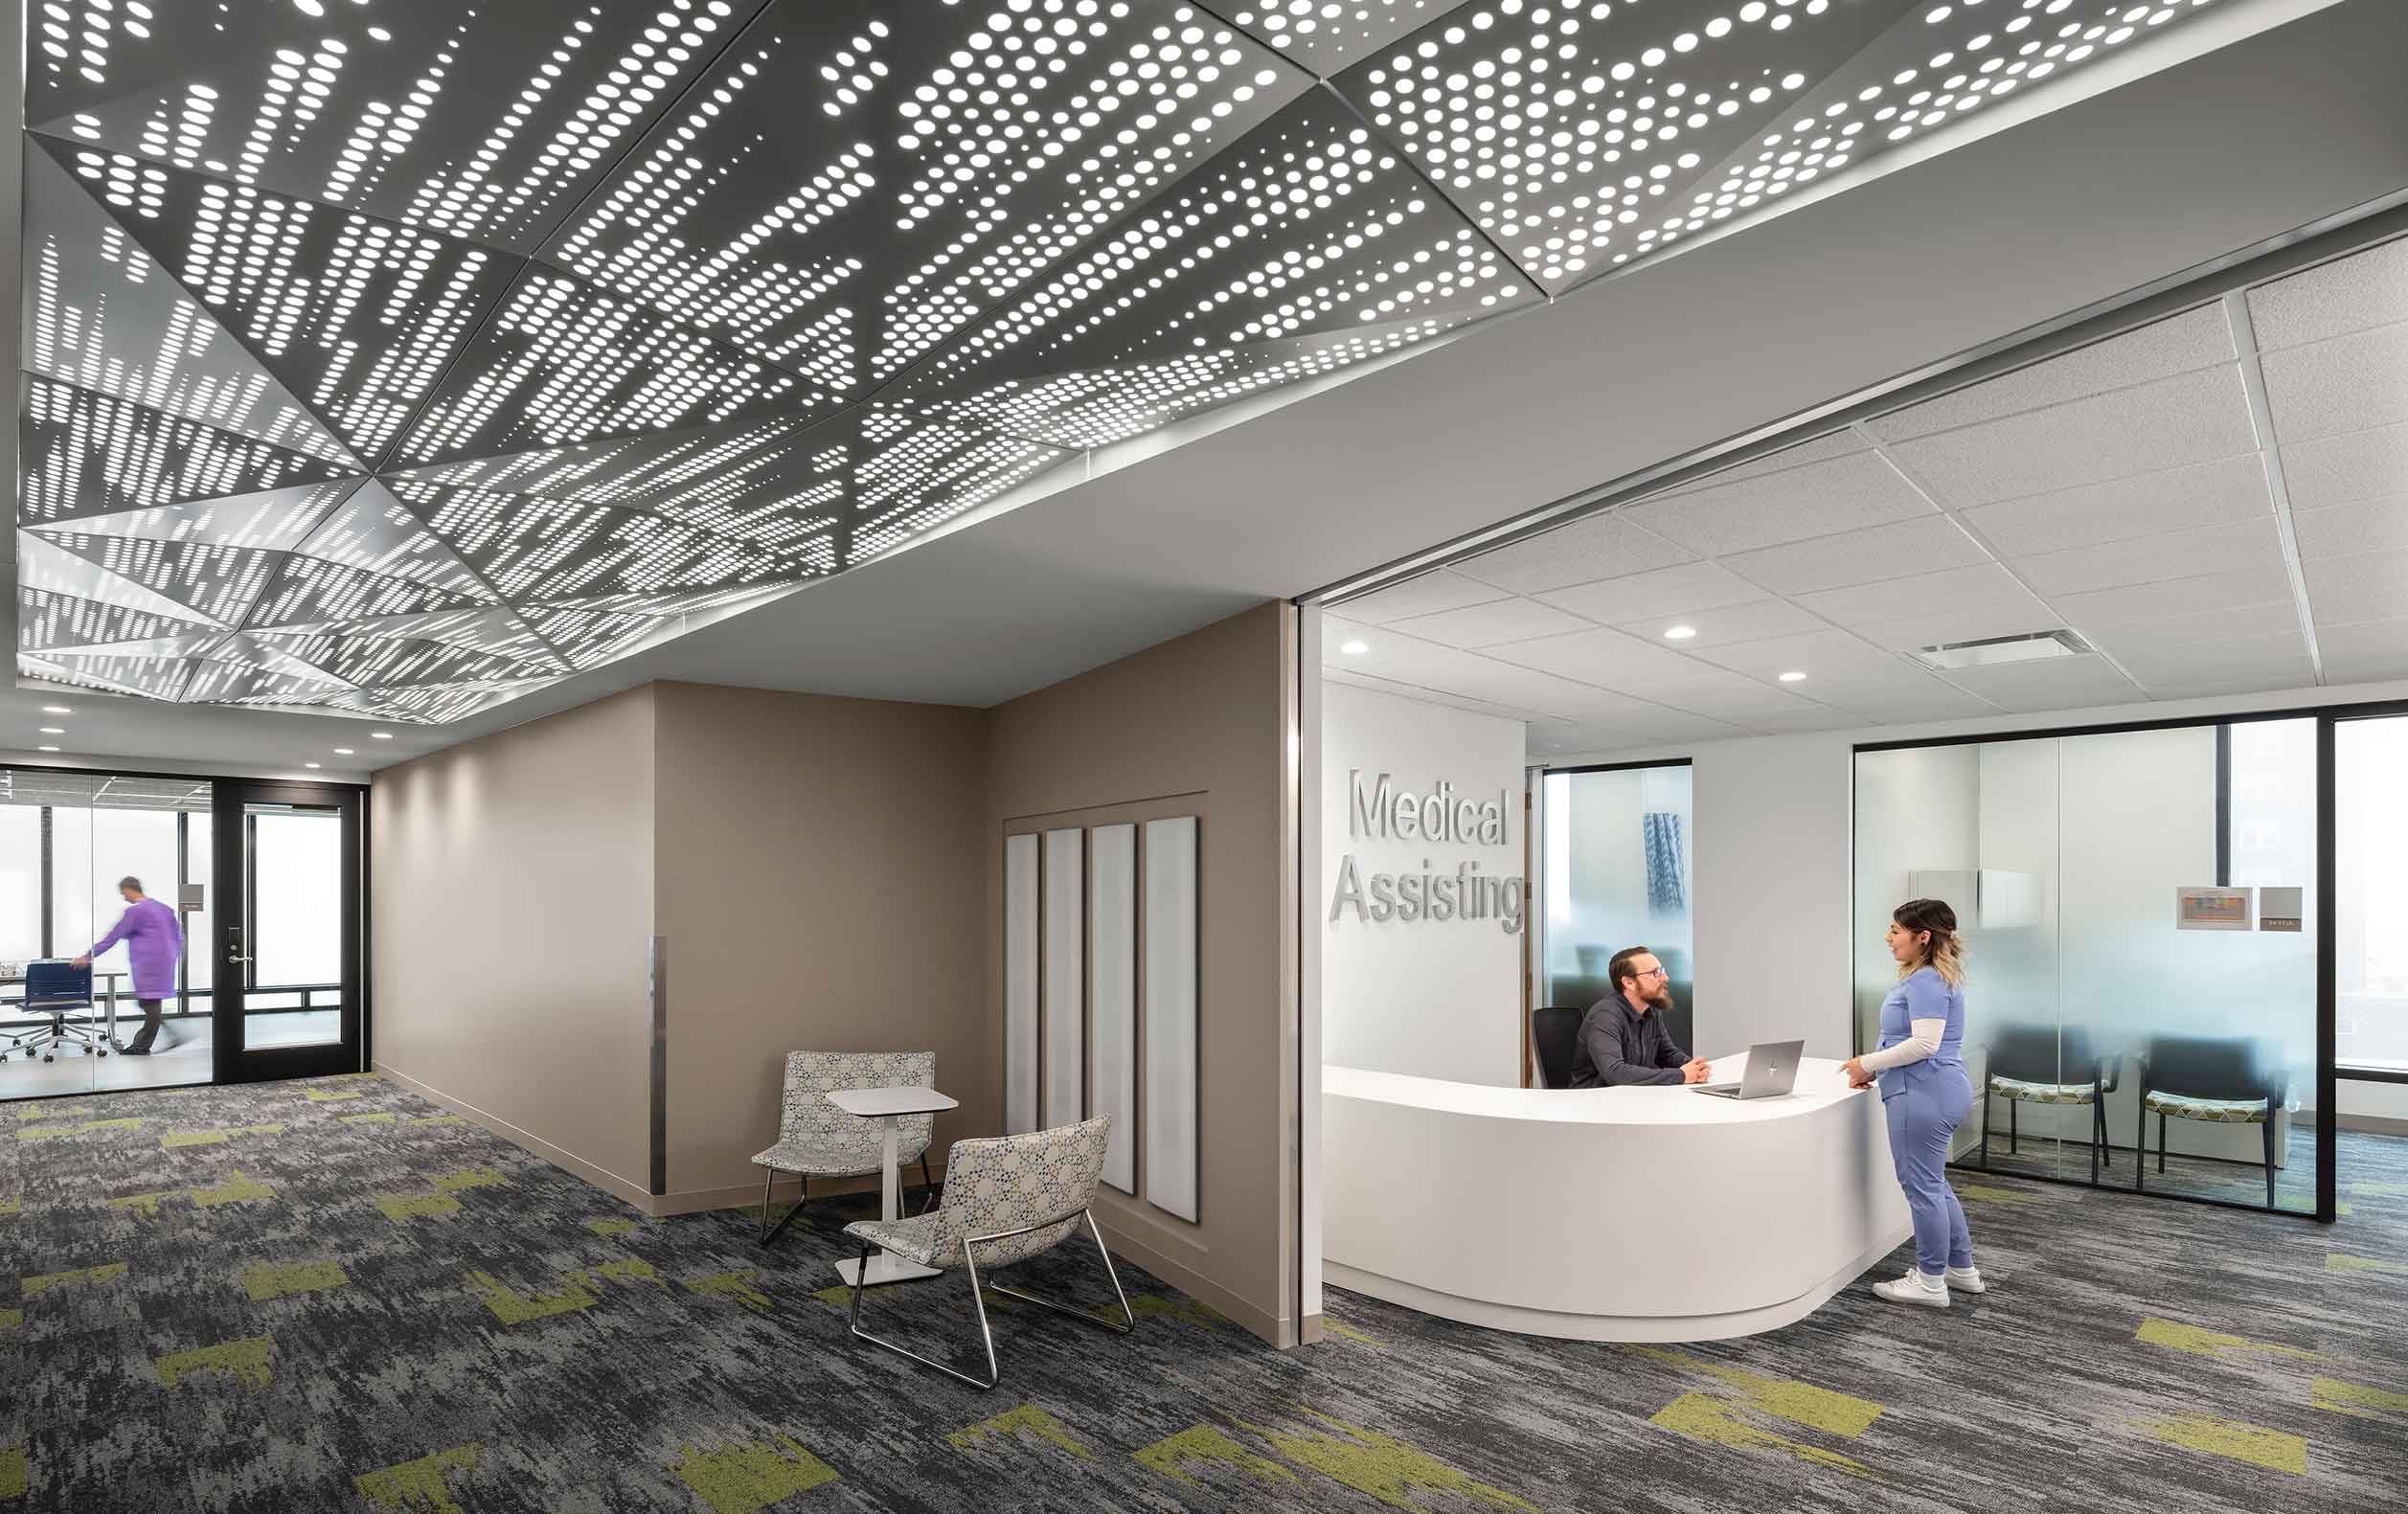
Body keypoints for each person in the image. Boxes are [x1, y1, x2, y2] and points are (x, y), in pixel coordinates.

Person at [1840, 898, 1986, 1307]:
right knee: (1934, 1184)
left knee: (1921, 1188)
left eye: (1895, 931)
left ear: (1923, 936)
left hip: (1921, 1092)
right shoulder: (1936, 977)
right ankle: (1960, 1269)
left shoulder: (1925, 981)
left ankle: (1930, 1281)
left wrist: (1865, 1062)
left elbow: (1924, 1044)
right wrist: (1875, 1069)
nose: (1888, 939)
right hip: (1938, 1088)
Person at [1568, 946, 1713, 1088]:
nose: (1665, 978)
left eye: (1661, 970)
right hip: (1593, 1101)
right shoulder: (1605, 1016)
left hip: (1632, 1097)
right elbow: (1615, 1073)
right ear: (1629, 982)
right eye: (1654, 973)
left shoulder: (1651, 1011)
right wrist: (1681, 1075)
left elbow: (1668, 1054)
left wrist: (1695, 1068)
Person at [75, 876, 185, 1057]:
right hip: (164, 964)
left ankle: (143, 1046)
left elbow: (113, 936)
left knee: (149, 1004)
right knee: (151, 1003)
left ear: (129, 889)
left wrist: (88, 955)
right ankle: (157, 1040)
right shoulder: (164, 909)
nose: (123, 897)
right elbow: (179, 937)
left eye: (123, 893)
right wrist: (173, 955)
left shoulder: (136, 912)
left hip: (147, 965)